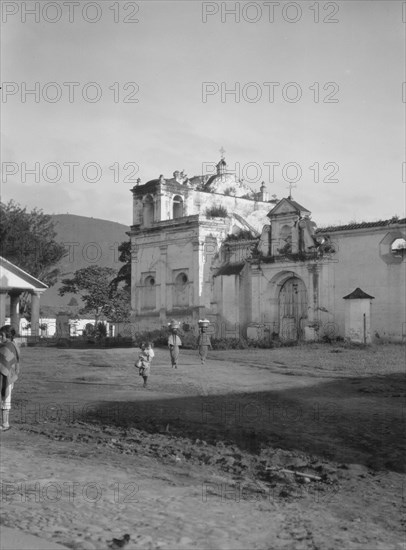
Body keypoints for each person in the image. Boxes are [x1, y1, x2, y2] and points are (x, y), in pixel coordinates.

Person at [0, 325, 20, 431]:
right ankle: (5, 423)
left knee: (5, 399)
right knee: (6, 400)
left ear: (7, 335)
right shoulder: (13, 345)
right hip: (9, 376)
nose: (0, 337)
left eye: (2, 335)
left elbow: (4, 362)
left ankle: (5, 424)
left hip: (5, 377)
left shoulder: (7, 347)